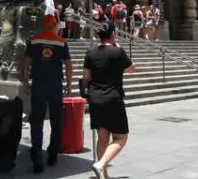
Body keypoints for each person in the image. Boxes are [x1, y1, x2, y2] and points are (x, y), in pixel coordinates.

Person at [84, 21, 135, 179]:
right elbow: (131, 69)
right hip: (113, 99)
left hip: (95, 99)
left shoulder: (90, 53)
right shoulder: (117, 52)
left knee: (103, 136)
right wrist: (119, 49)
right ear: (112, 34)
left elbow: (86, 77)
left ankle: (103, 174)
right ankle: (101, 164)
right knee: (121, 138)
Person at [23, 15, 73, 173]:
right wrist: (69, 84)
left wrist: (26, 82)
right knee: (57, 120)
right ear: (54, 25)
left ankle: (37, 157)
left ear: (42, 25)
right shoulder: (61, 42)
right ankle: (52, 154)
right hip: (55, 86)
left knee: (37, 120)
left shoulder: (33, 40)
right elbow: (68, 65)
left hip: (38, 85)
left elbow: (26, 63)